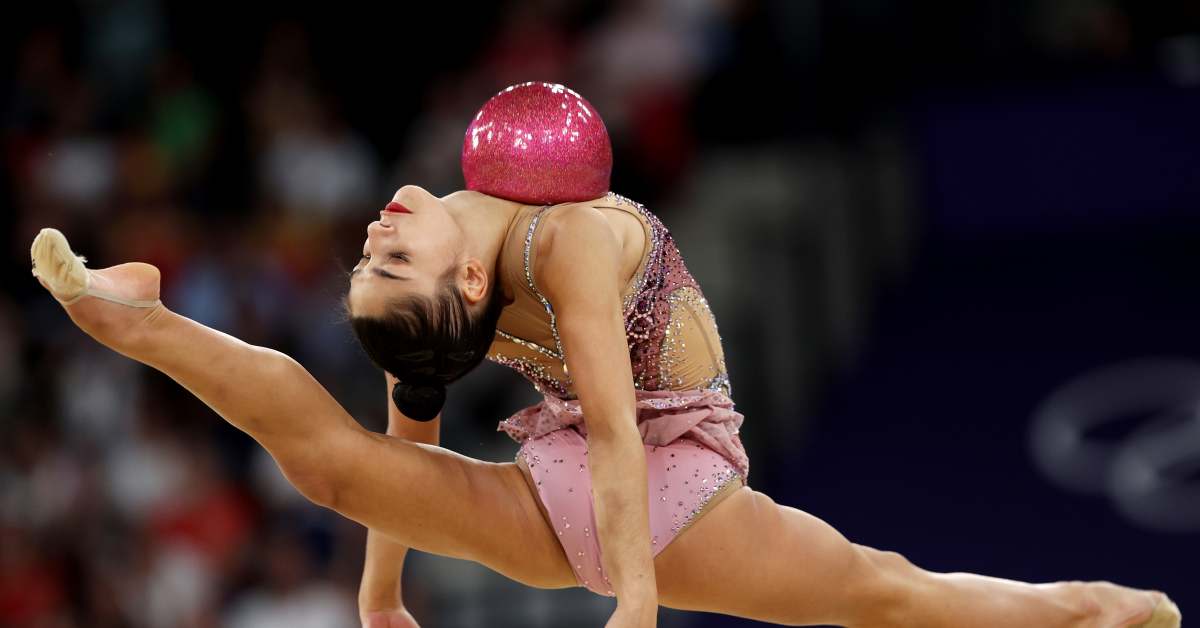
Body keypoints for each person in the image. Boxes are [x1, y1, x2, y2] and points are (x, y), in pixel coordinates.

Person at [30, 185, 1180, 627]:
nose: (372, 240)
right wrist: (380, 595)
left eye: (375, 262)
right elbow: (411, 420)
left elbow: (626, 426)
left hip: (670, 468)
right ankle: (129, 313)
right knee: (326, 467)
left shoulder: (565, 235)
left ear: (471, 280)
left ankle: (1080, 607)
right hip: (565, 476)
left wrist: (635, 598)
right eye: (383, 264)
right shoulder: (451, 304)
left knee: (880, 595)